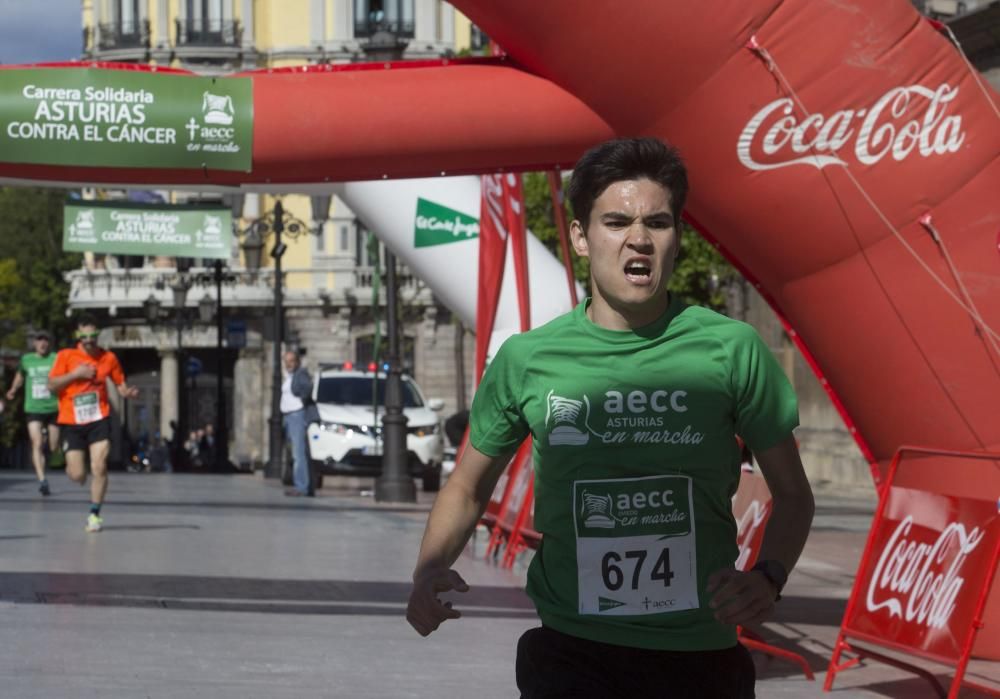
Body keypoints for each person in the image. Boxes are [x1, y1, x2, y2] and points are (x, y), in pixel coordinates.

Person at [406, 138, 815, 698]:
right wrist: (428, 570)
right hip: (573, 653)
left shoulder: (732, 349)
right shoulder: (528, 359)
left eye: (658, 222)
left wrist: (768, 577)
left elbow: (793, 495)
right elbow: (469, 487)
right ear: (580, 237)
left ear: (676, 237)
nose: (639, 239)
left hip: (699, 656)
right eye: (616, 221)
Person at [48, 315, 139, 533]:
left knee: (99, 466)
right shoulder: (66, 356)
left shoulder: (108, 358)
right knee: (78, 474)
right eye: (83, 336)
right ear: (77, 336)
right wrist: (75, 374)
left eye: (92, 335)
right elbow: (52, 385)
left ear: (98, 335)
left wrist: (126, 392)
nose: (88, 340)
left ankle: (95, 514)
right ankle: (74, 466)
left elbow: (120, 383)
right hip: (72, 421)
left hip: (99, 418)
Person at [6, 330, 60, 496]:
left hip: (53, 407)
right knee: (36, 443)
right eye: (39, 341)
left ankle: (54, 448)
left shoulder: (56, 359)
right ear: (35, 344)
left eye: (46, 341)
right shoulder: (27, 360)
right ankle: (42, 480)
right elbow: (20, 376)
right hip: (34, 408)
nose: (43, 344)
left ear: (49, 343)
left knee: (53, 445)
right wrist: (13, 390)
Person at [280, 349, 314, 497]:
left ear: (297, 361)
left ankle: (302, 487)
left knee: (298, 453)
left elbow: (308, 388)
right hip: (288, 416)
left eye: (291, 361)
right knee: (295, 452)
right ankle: (301, 484)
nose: (289, 364)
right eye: (286, 361)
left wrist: (302, 400)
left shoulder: (300, 374)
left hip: (296, 415)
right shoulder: (289, 376)